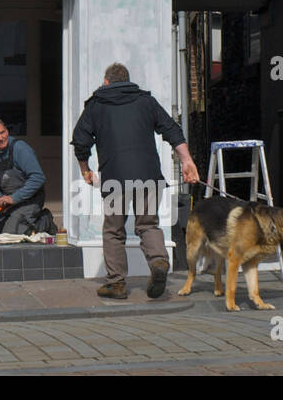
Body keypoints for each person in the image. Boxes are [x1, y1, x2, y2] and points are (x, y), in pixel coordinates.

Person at [71, 63, 200, 300]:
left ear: (106, 81)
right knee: (148, 225)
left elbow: (80, 140)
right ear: (127, 81)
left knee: (113, 230)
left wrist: (85, 169)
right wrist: (187, 161)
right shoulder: (145, 101)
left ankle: (116, 284)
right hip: (149, 175)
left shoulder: (96, 105)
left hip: (115, 178)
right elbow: (171, 129)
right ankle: (159, 260)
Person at [0, 117, 47, 235]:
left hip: (29, 200)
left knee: (9, 234)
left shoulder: (20, 149)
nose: (1, 138)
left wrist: (13, 198)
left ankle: (43, 222)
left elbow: (38, 178)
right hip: (7, 202)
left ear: (7, 130)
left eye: (3, 132)